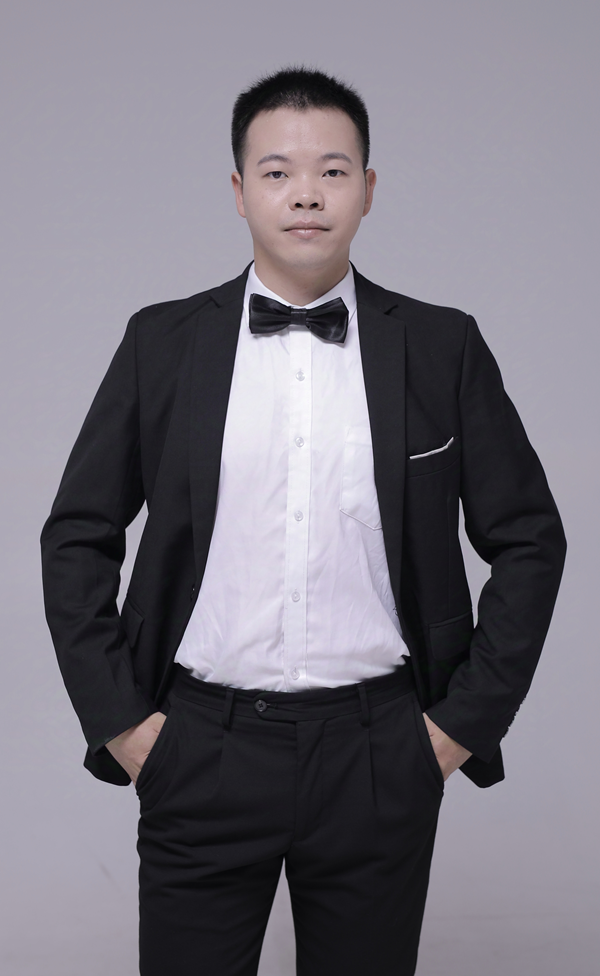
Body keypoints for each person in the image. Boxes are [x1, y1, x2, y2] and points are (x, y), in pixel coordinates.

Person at [41, 67, 566, 976]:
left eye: (332, 170)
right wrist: (124, 724)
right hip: (199, 748)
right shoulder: (161, 342)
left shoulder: (442, 345)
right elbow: (77, 535)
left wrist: (457, 729)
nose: (307, 194)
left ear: (368, 188)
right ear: (239, 191)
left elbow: (530, 539)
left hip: (381, 751)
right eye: (278, 172)